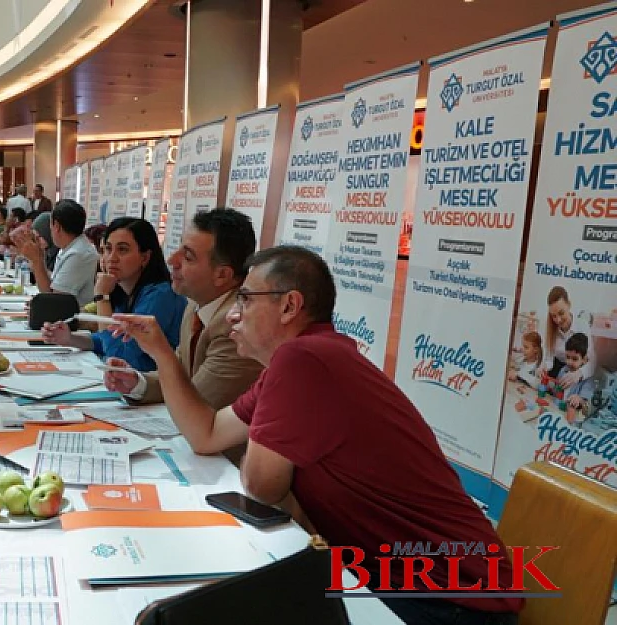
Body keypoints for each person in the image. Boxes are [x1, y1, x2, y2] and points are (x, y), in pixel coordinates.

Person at [111, 245, 523, 625]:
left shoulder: (303, 358)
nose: (234, 314)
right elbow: (208, 434)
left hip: (456, 603)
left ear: (290, 305)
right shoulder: (300, 360)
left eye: (245, 299)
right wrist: (162, 354)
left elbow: (261, 484)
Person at [103, 209, 263, 414]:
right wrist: (136, 383)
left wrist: (160, 350)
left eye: (187, 257)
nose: (172, 260)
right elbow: (180, 375)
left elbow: (195, 405)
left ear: (222, 275)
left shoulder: (237, 325)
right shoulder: (195, 307)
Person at [41, 217, 186, 371]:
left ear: (145, 257)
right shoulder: (124, 291)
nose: (111, 258)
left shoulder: (160, 295)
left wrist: (102, 297)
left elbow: (119, 359)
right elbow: (104, 339)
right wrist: (69, 338)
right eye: (108, 249)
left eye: (122, 250)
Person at [13, 200, 98, 304]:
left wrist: (37, 261)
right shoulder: (69, 247)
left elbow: (54, 300)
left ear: (56, 226)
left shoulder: (79, 253)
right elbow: (53, 284)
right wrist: (38, 260)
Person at [544, 286, 595, 388]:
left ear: (569, 305)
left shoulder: (582, 326)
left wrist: (579, 373)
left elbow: (594, 361)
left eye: (561, 313)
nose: (558, 320)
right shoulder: (550, 328)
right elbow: (549, 359)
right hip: (557, 370)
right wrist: (544, 367)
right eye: (553, 316)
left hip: (576, 372)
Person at [562, 332, 596, 417]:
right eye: (567, 357)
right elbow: (556, 390)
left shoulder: (588, 380)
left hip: (572, 416)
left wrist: (579, 399)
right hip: (558, 410)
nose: (569, 362)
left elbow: (585, 402)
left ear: (584, 359)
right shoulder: (563, 370)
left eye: (574, 359)